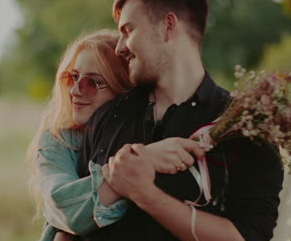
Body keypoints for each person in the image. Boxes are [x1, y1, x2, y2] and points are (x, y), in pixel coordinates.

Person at [76, 0, 284, 240]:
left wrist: (144, 194)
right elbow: (70, 223)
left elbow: (248, 236)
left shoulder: (247, 125)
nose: (119, 48)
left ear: (168, 26)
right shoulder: (108, 116)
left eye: (128, 31)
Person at [28, 29, 196, 241]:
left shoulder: (155, 128)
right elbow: (65, 210)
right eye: (73, 77)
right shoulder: (58, 139)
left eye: (92, 83)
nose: (75, 91)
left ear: (123, 90)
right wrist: (142, 161)